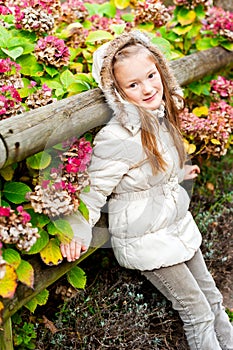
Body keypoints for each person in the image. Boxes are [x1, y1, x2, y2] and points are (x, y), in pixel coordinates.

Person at [60, 31, 233, 350]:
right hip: (147, 238)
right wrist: (77, 228)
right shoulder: (118, 137)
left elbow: (149, 167)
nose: (148, 88)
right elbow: (93, 190)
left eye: (151, 76)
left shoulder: (158, 117)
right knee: (197, 313)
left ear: (161, 73)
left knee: (214, 299)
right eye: (133, 84)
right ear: (118, 92)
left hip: (175, 224)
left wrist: (178, 172)